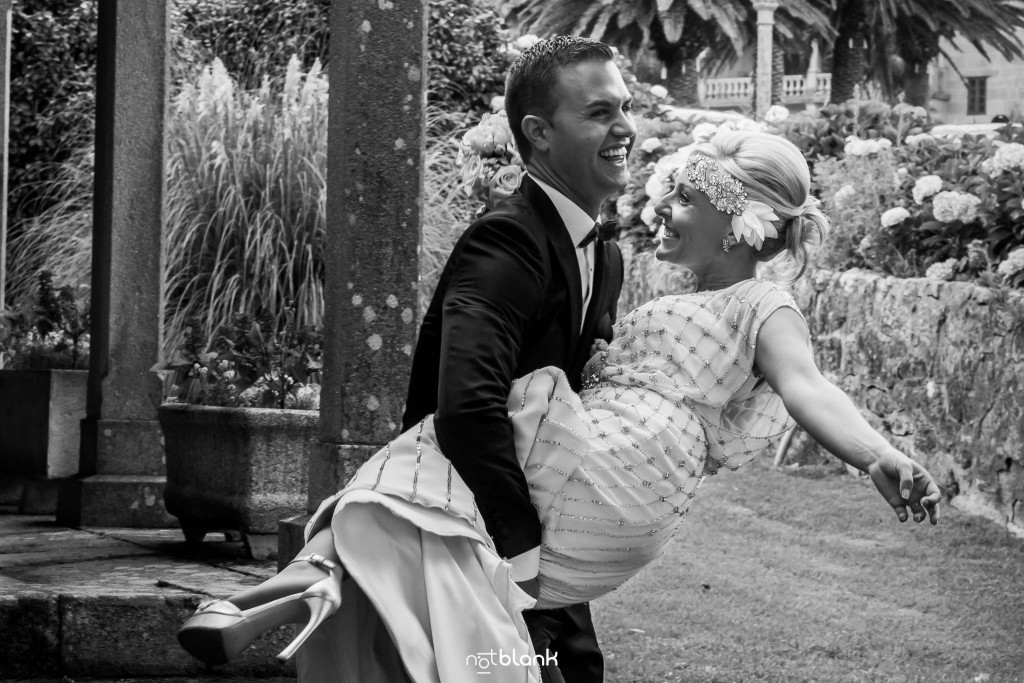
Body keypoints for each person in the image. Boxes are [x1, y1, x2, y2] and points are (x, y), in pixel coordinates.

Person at [177, 101, 943, 683]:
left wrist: (875, 454)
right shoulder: (645, 279)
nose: (660, 207)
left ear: (738, 225)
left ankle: (312, 577)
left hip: (630, 458)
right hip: (607, 446)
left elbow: (808, 387)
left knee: (466, 434)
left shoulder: (763, 304)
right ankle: (308, 584)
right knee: (442, 509)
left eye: (683, 199)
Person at [179, 35, 633, 683]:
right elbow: (469, 406)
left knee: (566, 662)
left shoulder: (603, 252)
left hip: (497, 506)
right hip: (474, 521)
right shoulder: (508, 239)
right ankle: (319, 570)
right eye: (598, 112)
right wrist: (525, 551)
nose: (625, 128)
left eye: (624, 106)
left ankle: (315, 572)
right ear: (537, 132)